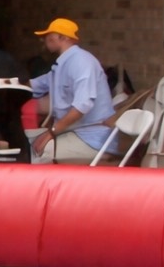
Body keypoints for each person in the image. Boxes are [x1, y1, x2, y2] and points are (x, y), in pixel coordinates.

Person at [27, 17, 116, 165]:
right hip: (74, 132)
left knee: (39, 152)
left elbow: (82, 106)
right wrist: (9, 82)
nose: (45, 40)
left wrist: (52, 132)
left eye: (50, 36)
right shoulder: (62, 64)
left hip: (92, 138)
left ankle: (46, 188)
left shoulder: (82, 62)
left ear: (63, 37)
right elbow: (38, 84)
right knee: (32, 144)